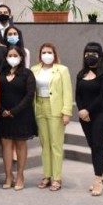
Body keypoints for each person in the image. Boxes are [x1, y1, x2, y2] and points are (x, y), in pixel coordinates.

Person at [31, 42, 73, 191]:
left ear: (54, 55)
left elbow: (67, 92)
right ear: (40, 55)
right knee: (45, 144)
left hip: (55, 108)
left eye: (49, 52)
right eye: (44, 52)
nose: (46, 55)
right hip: (39, 107)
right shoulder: (34, 69)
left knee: (56, 144)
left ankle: (57, 178)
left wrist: (66, 112)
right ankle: (46, 175)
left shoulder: (62, 70)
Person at [76, 42, 103, 197]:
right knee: (92, 145)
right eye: (87, 53)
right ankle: (101, 176)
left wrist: (88, 110)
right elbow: (78, 95)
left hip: (101, 114)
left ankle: (98, 179)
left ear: (100, 56)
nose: (90, 56)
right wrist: (82, 110)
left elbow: (102, 96)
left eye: (94, 53)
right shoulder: (81, 74)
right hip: (85, 116)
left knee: (98, 145)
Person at [0, 46, 36, 191]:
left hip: (22, 114)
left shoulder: (27, 73)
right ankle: (8, 176)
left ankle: (20, 175)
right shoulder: (0, 73)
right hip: (3, 114)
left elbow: (30, 95)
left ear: (21, 57)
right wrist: (2, 110)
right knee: (6, 145)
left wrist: (14, 111)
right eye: (10, 55)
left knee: (20, 145)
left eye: (15, 55)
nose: (12, 58)